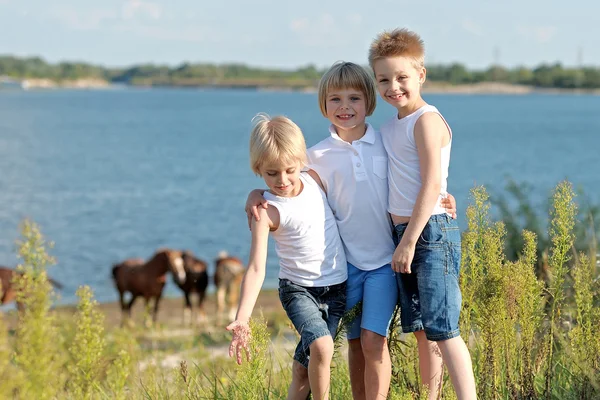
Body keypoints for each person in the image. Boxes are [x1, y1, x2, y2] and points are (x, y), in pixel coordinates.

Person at [246, 62, 457, 399]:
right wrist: (255, 195)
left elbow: (419, 174)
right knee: (356, 344)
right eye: (335, 100)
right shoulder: (314, 157)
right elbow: (282, 183)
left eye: (354, 98)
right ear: (323, 104)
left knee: (376, 341)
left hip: (386, 264)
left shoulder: (385, 141)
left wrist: (443, 196)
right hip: (347, 269)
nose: (345, 107)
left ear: (369, 102)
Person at [369, 28, 476, 399]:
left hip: (428, 235)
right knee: (422, 332)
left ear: (421, 75)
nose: (393, 86)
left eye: (402, 77)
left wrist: (409, 242)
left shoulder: (426, 120)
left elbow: (431, 184)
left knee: (444, 330)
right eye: (383, 79)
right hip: (406, 235)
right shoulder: (388, 127)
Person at [227, 114, 347, 400]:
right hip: (298, 291)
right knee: (321, 346)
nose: (282, 180)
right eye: (271, 174)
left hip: (337, 290)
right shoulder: (265, 212)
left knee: (303, 371)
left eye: (289, 170)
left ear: (301, 161)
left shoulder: (315, 179)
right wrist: (242, 317)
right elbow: (256, 268)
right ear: (258, 169)